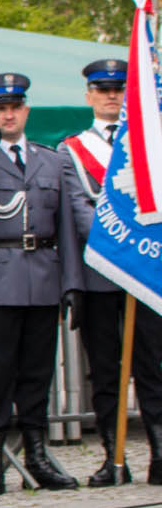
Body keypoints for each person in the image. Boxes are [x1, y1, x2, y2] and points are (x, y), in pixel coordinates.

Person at [0, 73, 81, 494]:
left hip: (43, 276)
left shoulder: (51, 159)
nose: (8, 115)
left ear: (26, 110)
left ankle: (37, 454)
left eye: (15, 107)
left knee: (37, 373)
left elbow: (66, 226)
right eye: (0, 108)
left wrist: (71, 282)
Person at [59, 56, 162, 483]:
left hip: (145, 271)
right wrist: (119, 238)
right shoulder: (72, 149)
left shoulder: (150, 144)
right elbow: (78, 209)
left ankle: (159, 453)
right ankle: (113, 458)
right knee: (105, 370)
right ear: (89, 96)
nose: (112, 96)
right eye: (103, 90)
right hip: (100, 272)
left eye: (119, 89)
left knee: (153, 366)